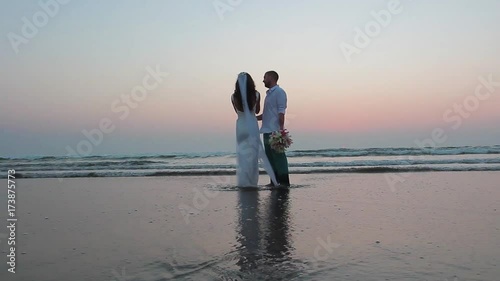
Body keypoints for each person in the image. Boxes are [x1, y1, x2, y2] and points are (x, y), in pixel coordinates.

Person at [232, 72, 277, 187]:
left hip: (241, 126)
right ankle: (252, 182)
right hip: (252, 125)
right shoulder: (256, 94)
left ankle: (244, 182)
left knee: (242, 155)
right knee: (253, 155)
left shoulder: (233, 97)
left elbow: (237, 112)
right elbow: (256, 111)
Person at [257, 71, 290, 187]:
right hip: (266, 131)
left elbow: (281, 111)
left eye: (264, 77)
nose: (263, 80)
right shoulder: (268, 94)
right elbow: (266, 114)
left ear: (271, 77)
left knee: (279, 157)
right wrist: (252, 118)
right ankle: (274, 182)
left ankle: (284, 182)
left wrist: (281, 130)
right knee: (270, 158)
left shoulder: (279, 92)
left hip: (275, 131)